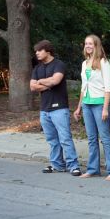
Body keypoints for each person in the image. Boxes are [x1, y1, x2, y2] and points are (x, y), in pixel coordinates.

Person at [30, 40, 81, 176]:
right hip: (44, 110)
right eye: (36, 51)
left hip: (59, 108)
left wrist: (41, 81)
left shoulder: (59, 64)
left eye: (39, 50)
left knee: (65, 138)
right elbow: (32, 87)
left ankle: (73, 166)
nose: (37, 53)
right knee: (52, 140)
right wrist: (48, 83)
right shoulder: (37, 68)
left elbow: (56, 80)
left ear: (47, 50)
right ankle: (57, 165)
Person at [73, 34, 110, 181]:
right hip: (87, 104)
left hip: (99, 104)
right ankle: (93, 169)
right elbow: (83, 87)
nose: (87, 46)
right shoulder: (84, 63)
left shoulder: (103, 62)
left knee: (105, 138)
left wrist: (105, 108)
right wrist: (78, 107)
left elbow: (108, 88)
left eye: (90, 44)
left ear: (96, 46)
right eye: (86, 44)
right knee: (92, 139)